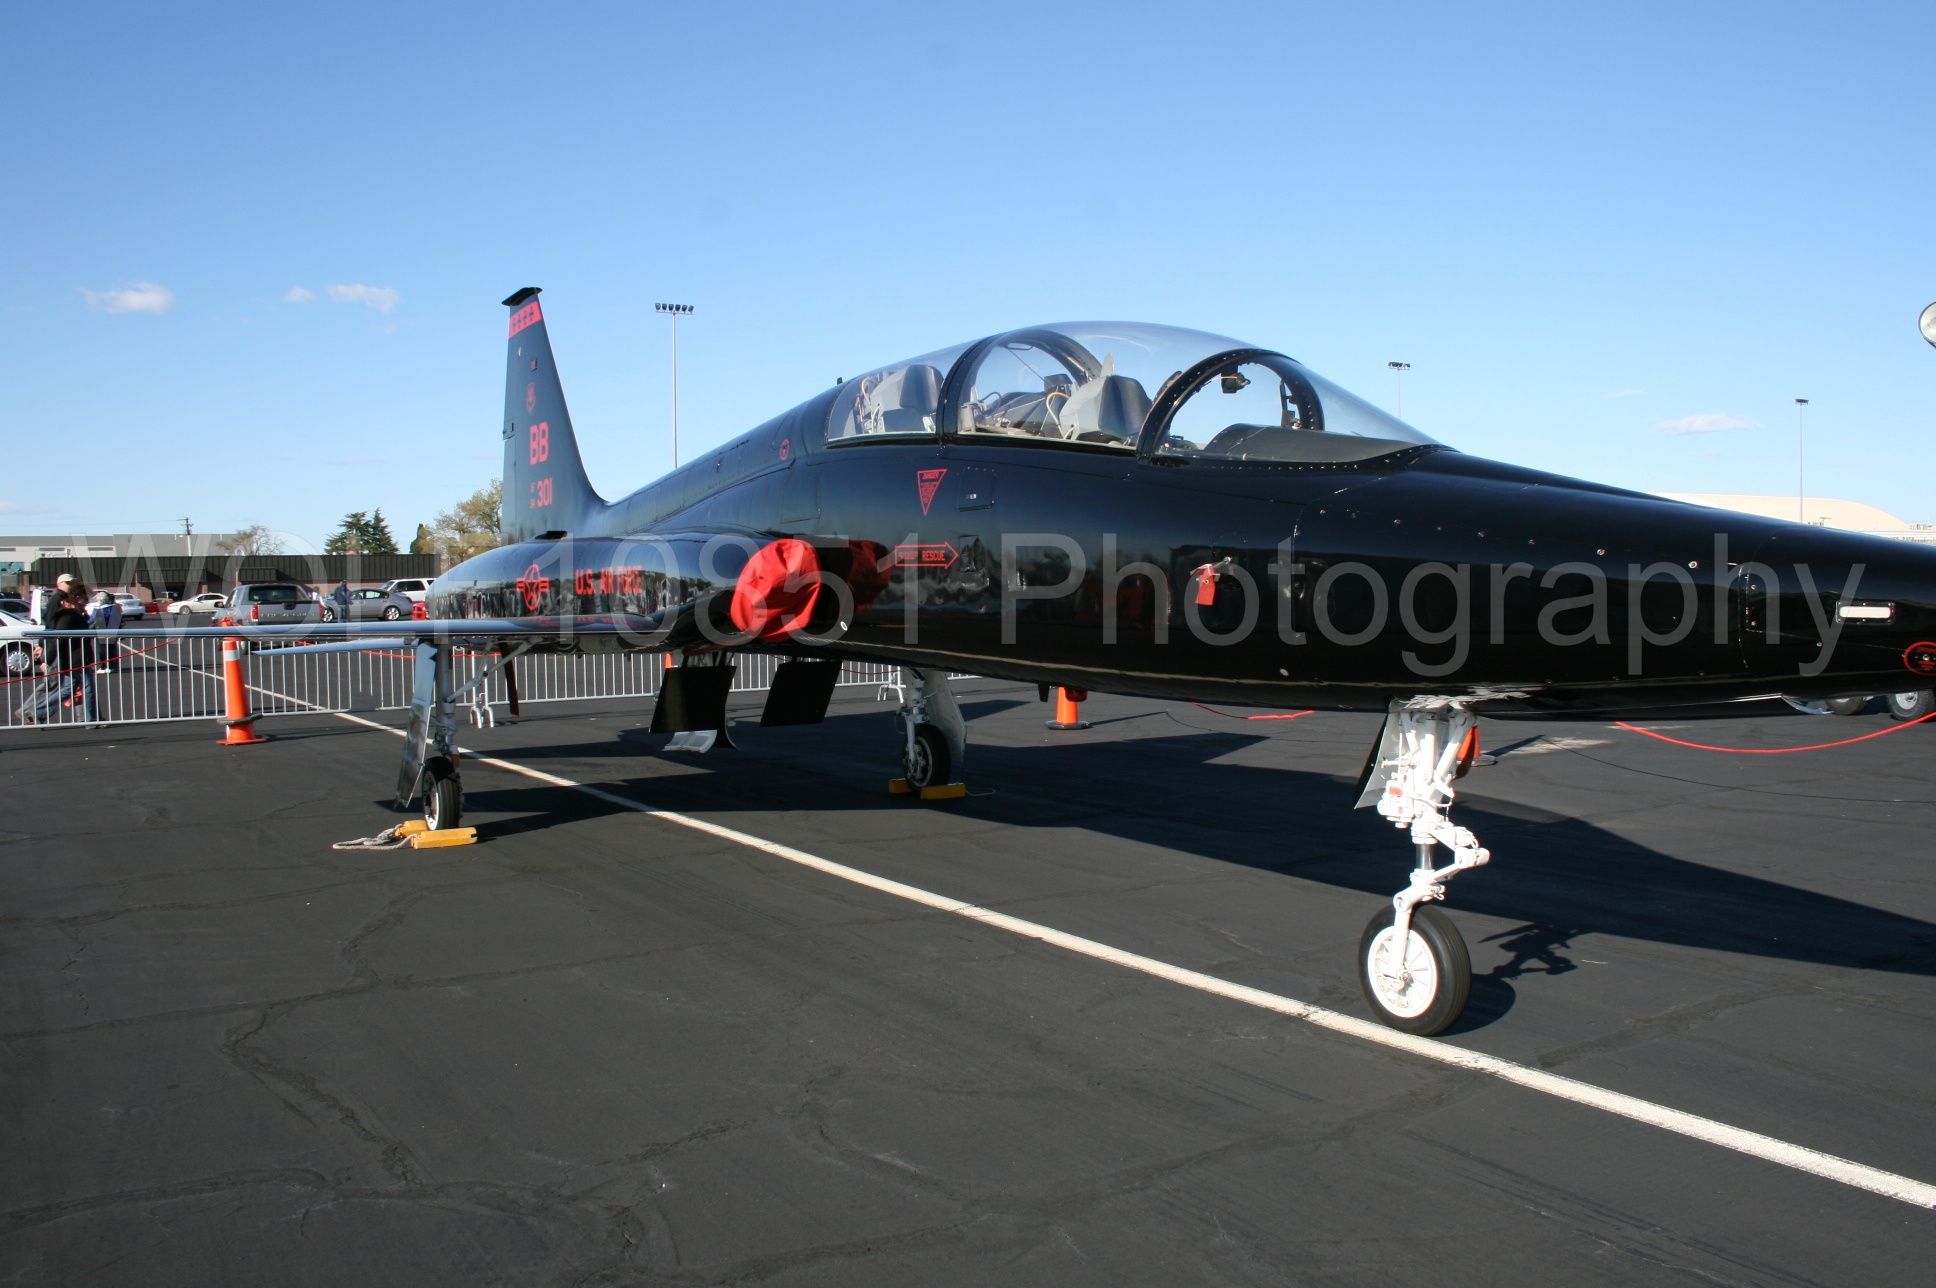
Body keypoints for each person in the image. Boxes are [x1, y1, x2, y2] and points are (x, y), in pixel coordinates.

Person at [20, 586, 94, 725]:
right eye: (85, 599)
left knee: (68, 688)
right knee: (86, 687)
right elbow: (57, 640)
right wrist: (46, 660)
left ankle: (38, 713)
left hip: (74, 658)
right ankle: (90, 721)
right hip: (75, 658)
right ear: (76, 599)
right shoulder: (67, 617)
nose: (87, 602)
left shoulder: (75, 615)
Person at [88, 589, 123, 673]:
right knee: (111, 649)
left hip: (101, 631)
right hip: (113, 631)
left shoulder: (98, 609)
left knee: (102, 650)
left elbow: (91, 620)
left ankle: (103, 667)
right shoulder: (115, 608)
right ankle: (111, 666)